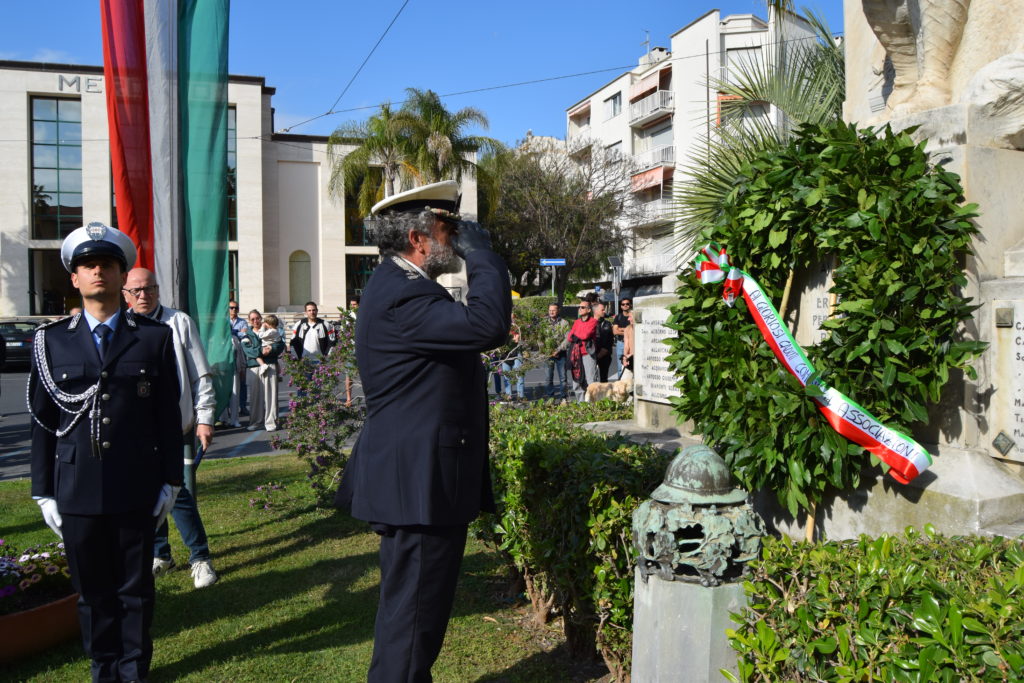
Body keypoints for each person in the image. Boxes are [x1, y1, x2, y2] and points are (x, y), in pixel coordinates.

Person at [335, 180, 511, 682]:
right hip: (419, 483)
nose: (455, 237)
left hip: (416, 477)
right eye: (447, 228)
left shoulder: (400, 286)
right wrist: (484, 257)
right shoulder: (404, 295)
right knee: (412, 623)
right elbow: (488, 326)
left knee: (410, 619)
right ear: (418, 238)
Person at [29, 222, 183, 683]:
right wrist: (43, 491)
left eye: (107, 265)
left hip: (135, 482)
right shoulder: (51, 340)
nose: (98, 272)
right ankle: (104, 668)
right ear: (74, 278)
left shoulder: (153, 338)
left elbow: (166, 415)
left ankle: (133, 670)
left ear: (121, 275)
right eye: (88, 266)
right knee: (92, 591)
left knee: (135, 588)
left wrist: (171, 481)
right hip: (75, 485)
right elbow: (43, 422)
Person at [123, 267, 219, 590]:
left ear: (158, 290)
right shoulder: (120, 327)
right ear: (125, 294)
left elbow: (200, 374)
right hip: (134, 429)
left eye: (149, 288)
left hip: (171, 425)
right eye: (136, 290)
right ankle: (160, 554)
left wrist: (205, 417)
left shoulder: (179, 322)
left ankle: (200, 558)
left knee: (176, 492)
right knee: (146, 493)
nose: (143, 295)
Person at [242, 309, 285, 432]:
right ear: (249, 321)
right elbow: (248, 350)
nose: (255, 321)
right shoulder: (247, 335)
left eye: (257, 318)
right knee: (255, 397)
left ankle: (271, 423)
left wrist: (271, 349)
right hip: (254, 368)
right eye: (252, 319)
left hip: (270, 365)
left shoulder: (271, 330)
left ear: (261, 318)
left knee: (271, 395)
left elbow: (280, 345)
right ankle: (256, 422)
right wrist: (261, 351)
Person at [564, 299, 598, 401]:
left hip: (587, 353)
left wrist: (576, 335)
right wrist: (577, 336)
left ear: (589, 310)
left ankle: (593, 404)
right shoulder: (577, 322)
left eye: (582, 307)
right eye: (579, 307)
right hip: (576, 355)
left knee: (591, 381)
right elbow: (570, 337)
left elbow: (585, 335)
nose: (580, 309)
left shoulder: (593, 321)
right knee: (577, 381)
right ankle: (581, 404)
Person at [227, 300, 249, 417]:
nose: (234, 310)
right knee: (227, 382)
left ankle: (243, 406)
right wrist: (238, 332)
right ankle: (227, 408)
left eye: (236, 308)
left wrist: (233, 332)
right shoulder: (224, 320)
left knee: (242, 381)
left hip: (240, 354)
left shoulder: (242, 321)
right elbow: (225, 334)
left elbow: (245, 334)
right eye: (231, 307)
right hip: (227, 354)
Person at [544, 303, 570, 399]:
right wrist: (546, 349)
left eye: (553, 310)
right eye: (550, 310)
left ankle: (563, 398)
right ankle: (550, 398)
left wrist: (558, 350)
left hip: (561, 353)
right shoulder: (544, 323)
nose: (551, 312)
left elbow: (567, 339)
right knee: (548, 378)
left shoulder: (564, 323)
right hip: (548, 353)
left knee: (563, 378)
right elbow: (540, 338)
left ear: (558, 310)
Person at [593, 300, 614, 382]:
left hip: (605, 354)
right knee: (591, 378)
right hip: (592, 354)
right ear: (596, 311)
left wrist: (605, 350)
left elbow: (610, 339)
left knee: (604, 379)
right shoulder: (589, 323)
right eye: (602, 310)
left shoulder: (607, 324)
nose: (604, 311)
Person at [612, 298, 632, 379]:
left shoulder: (632, 316)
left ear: (630, 305)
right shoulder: (618, 317)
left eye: (627, 304)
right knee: (620, 366)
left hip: (631, 344)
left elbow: (634, 331)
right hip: (620, 343)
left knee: (631, 365)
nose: (625, 305)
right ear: (621, 306)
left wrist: (621, 329)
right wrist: (627, 331)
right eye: (623, 304)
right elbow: (615, 331)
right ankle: (620, 383)